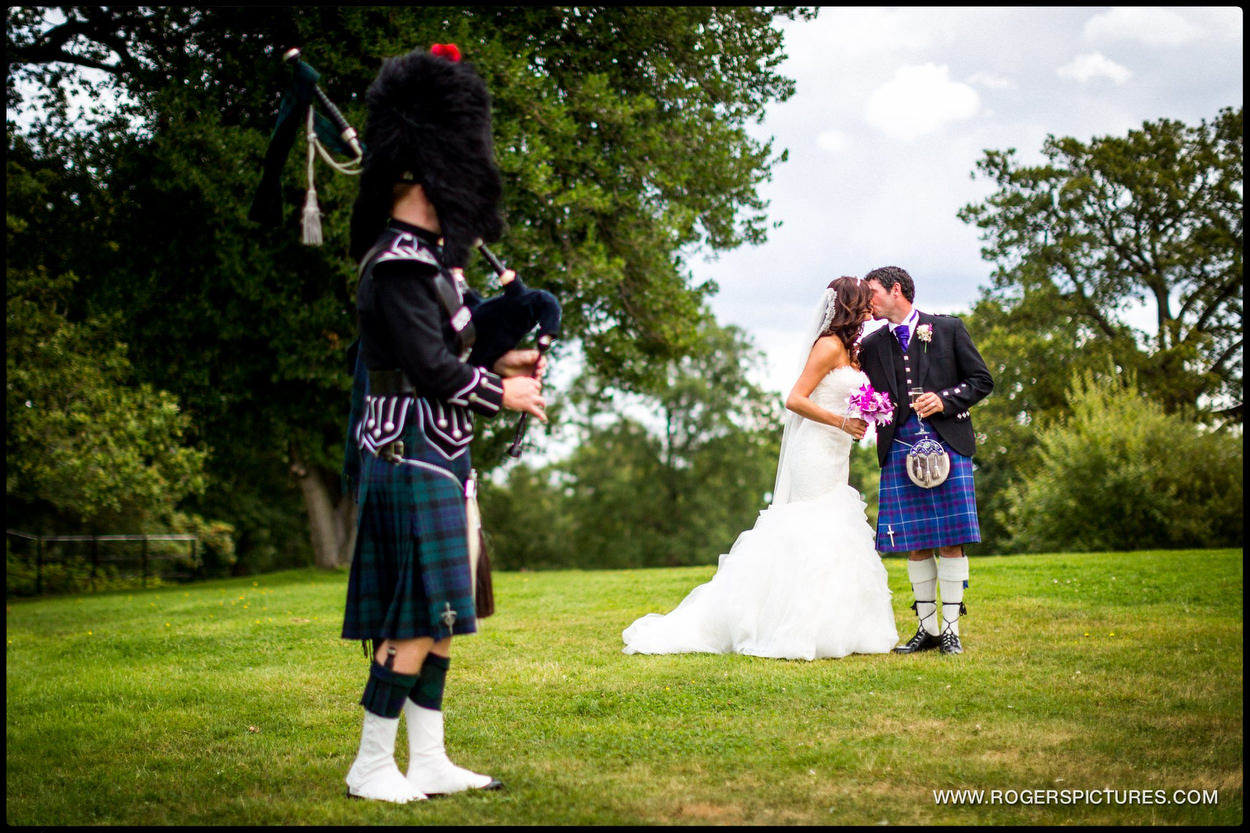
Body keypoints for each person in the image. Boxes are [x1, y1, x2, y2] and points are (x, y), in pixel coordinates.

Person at [339, 45, 547, 804]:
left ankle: (427, 758)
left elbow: (461, 346)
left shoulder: (433, 266)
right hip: (406, 455)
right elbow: (433, 368)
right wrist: (506, 395)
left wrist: (513, 359)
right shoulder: (395, 265)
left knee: (447, 617)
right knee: (416, 615)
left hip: (442, 457)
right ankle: (369, 764)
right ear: (425, 173)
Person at [621, 277, 898, 660]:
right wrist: (840, 422)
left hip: (837, 453)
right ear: (851, 305)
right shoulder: (828, 346)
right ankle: (790, 626)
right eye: (865, 301)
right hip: (815, 451)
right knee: (811, 530)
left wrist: (863, 414)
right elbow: (794, 399)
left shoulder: (852, 351)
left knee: (836, 527)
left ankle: (839, 627)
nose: (871, 307)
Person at [856, 266, 993, 656]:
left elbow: (982, 380)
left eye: (873, 292)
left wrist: (945, 399)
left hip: (946, 440)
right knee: (914, 543)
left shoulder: (947, 329)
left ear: (896, 290)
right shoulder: (871, 345)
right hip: (899, 444)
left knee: (951, 541)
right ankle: (927, 629)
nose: (869, 300)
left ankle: (950, 630)